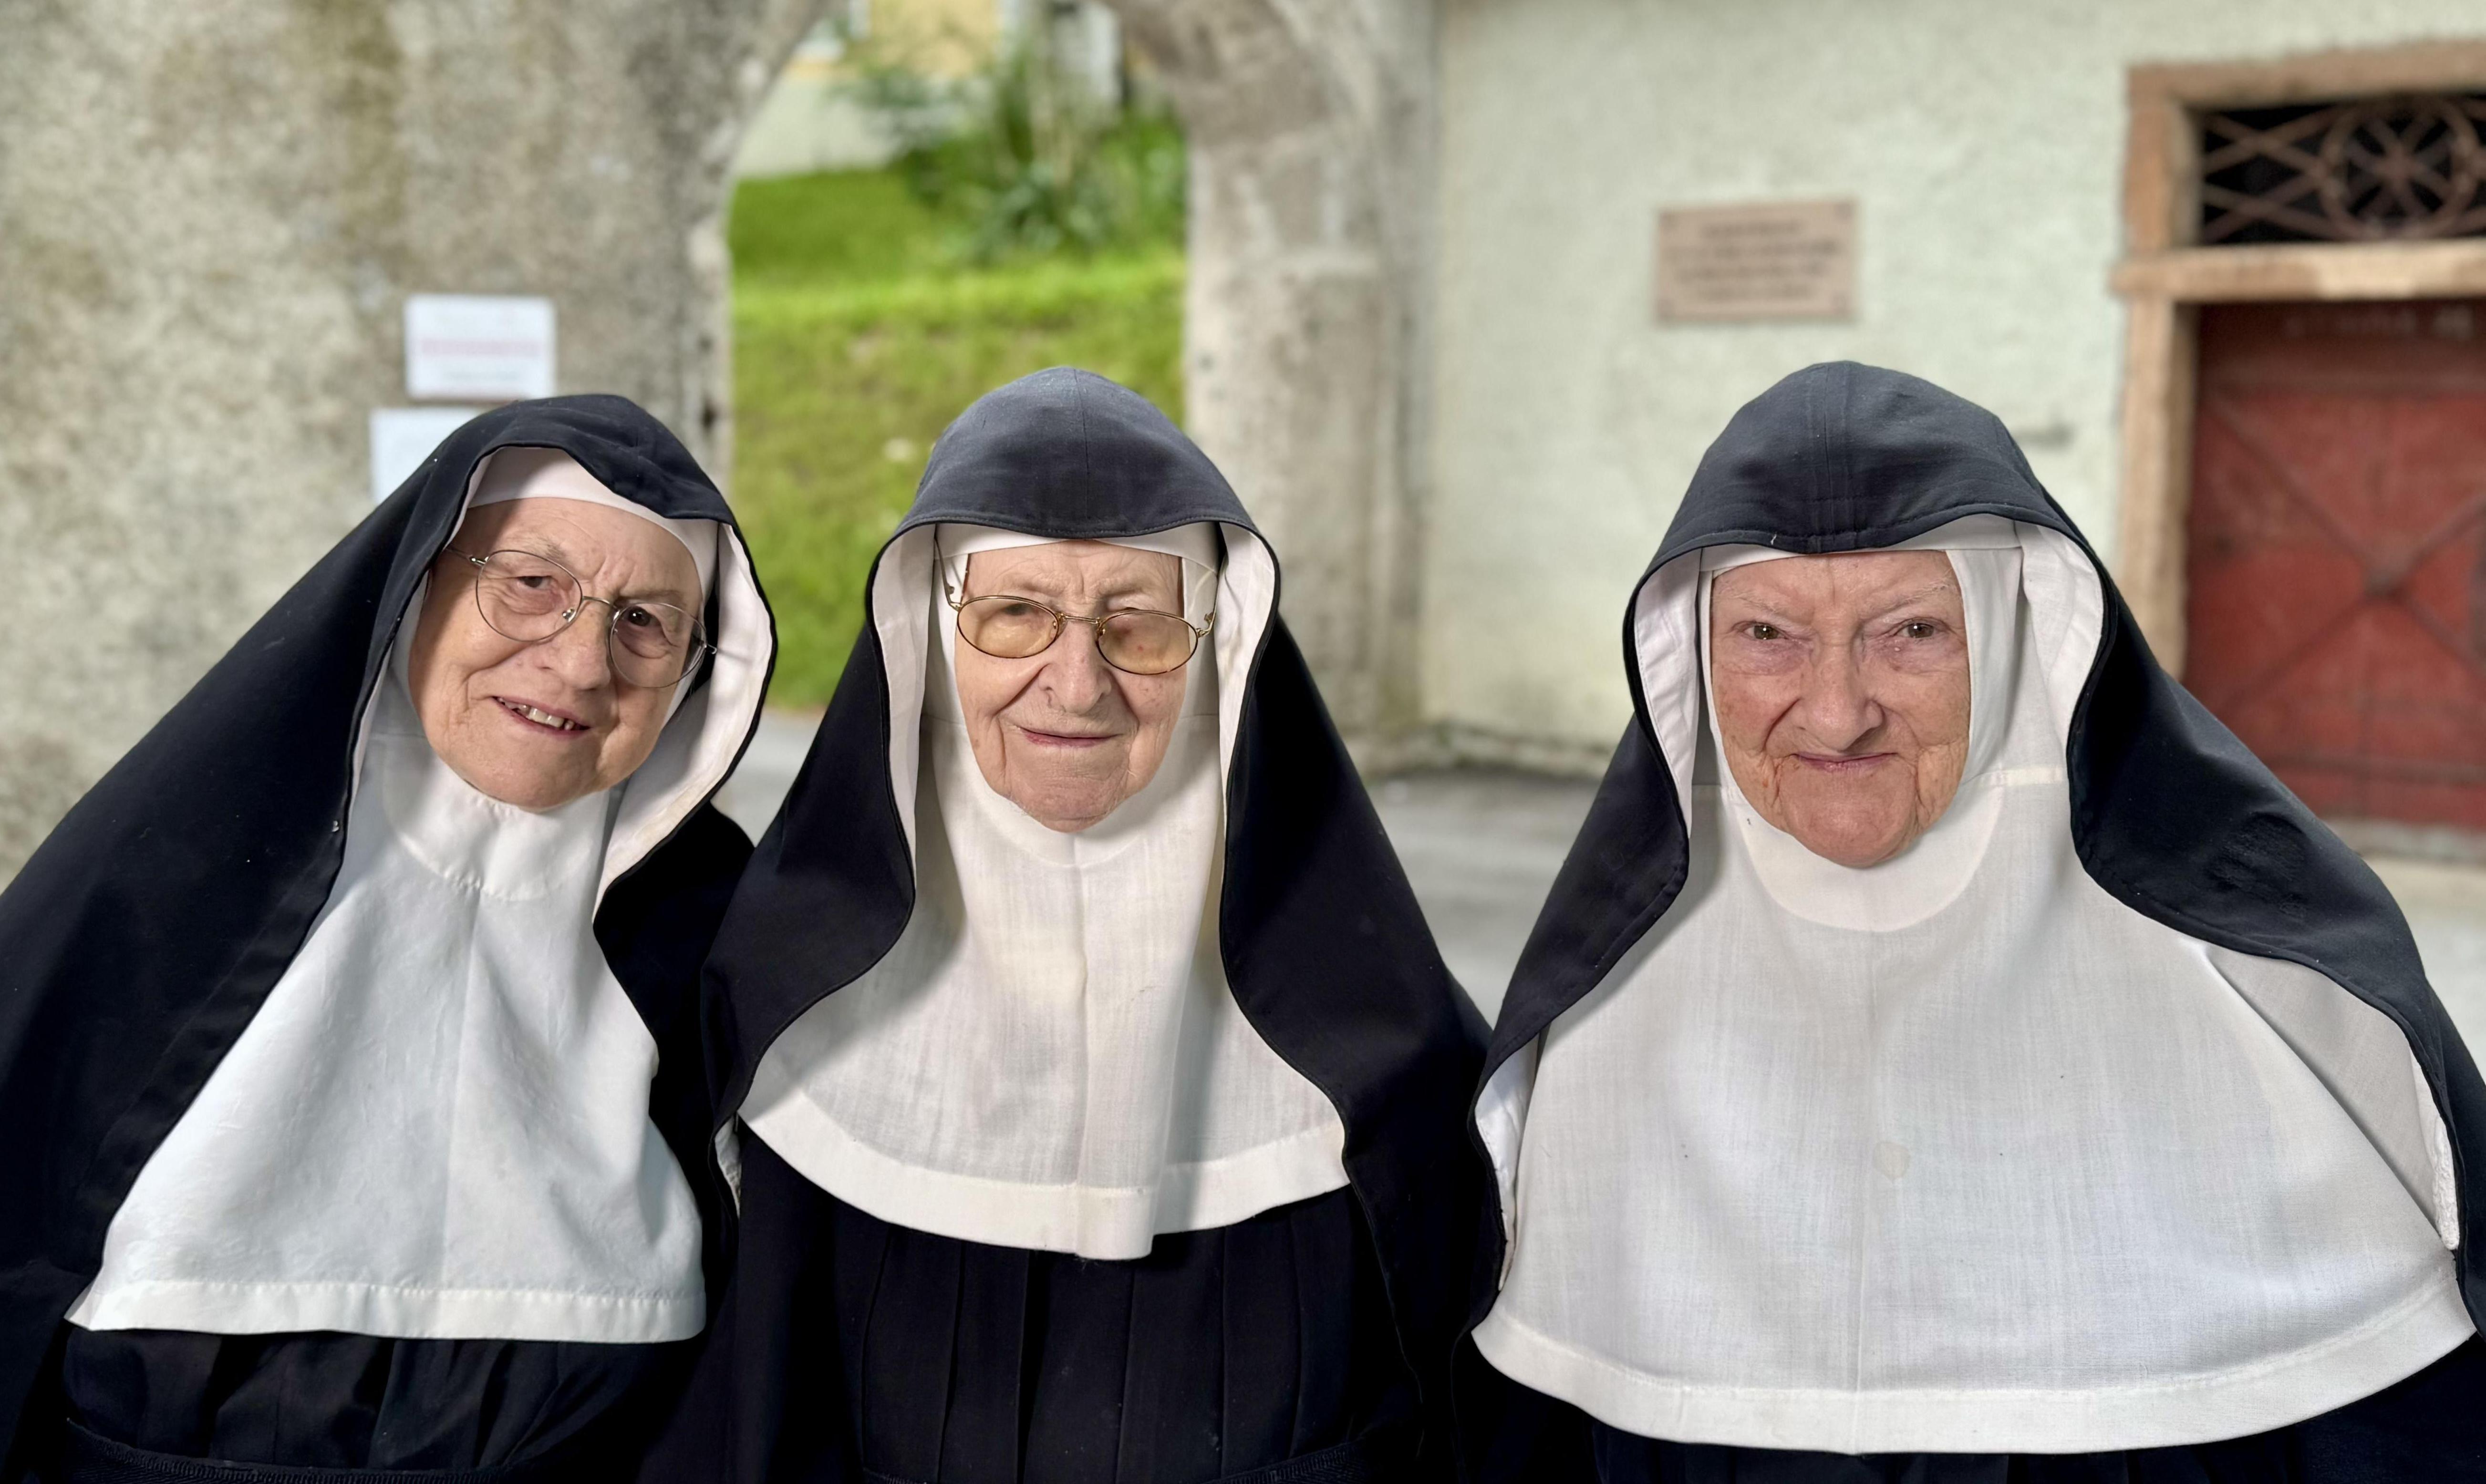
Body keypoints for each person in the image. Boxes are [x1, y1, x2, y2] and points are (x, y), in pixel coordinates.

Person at [1463, 361, 2486, 1480]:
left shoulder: (2267, 992)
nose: (1839, 711)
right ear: (1692, 654)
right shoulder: (1594, 1029)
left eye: (1911, 630)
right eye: (1767, 634)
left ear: (2013, 629)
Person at [0, 397, 776, 1482]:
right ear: (422, 575)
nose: (579, 663)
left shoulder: (712, 920)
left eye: (645, 623)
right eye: (532, 584)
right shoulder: (190, 858)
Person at [640, 368, 1489, 1484]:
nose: (1077, 686)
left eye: (1139, 624)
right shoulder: (774, 1032)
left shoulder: (1392, 1059)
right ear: (931, 641)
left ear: (1222, 653)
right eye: (1014, 615)